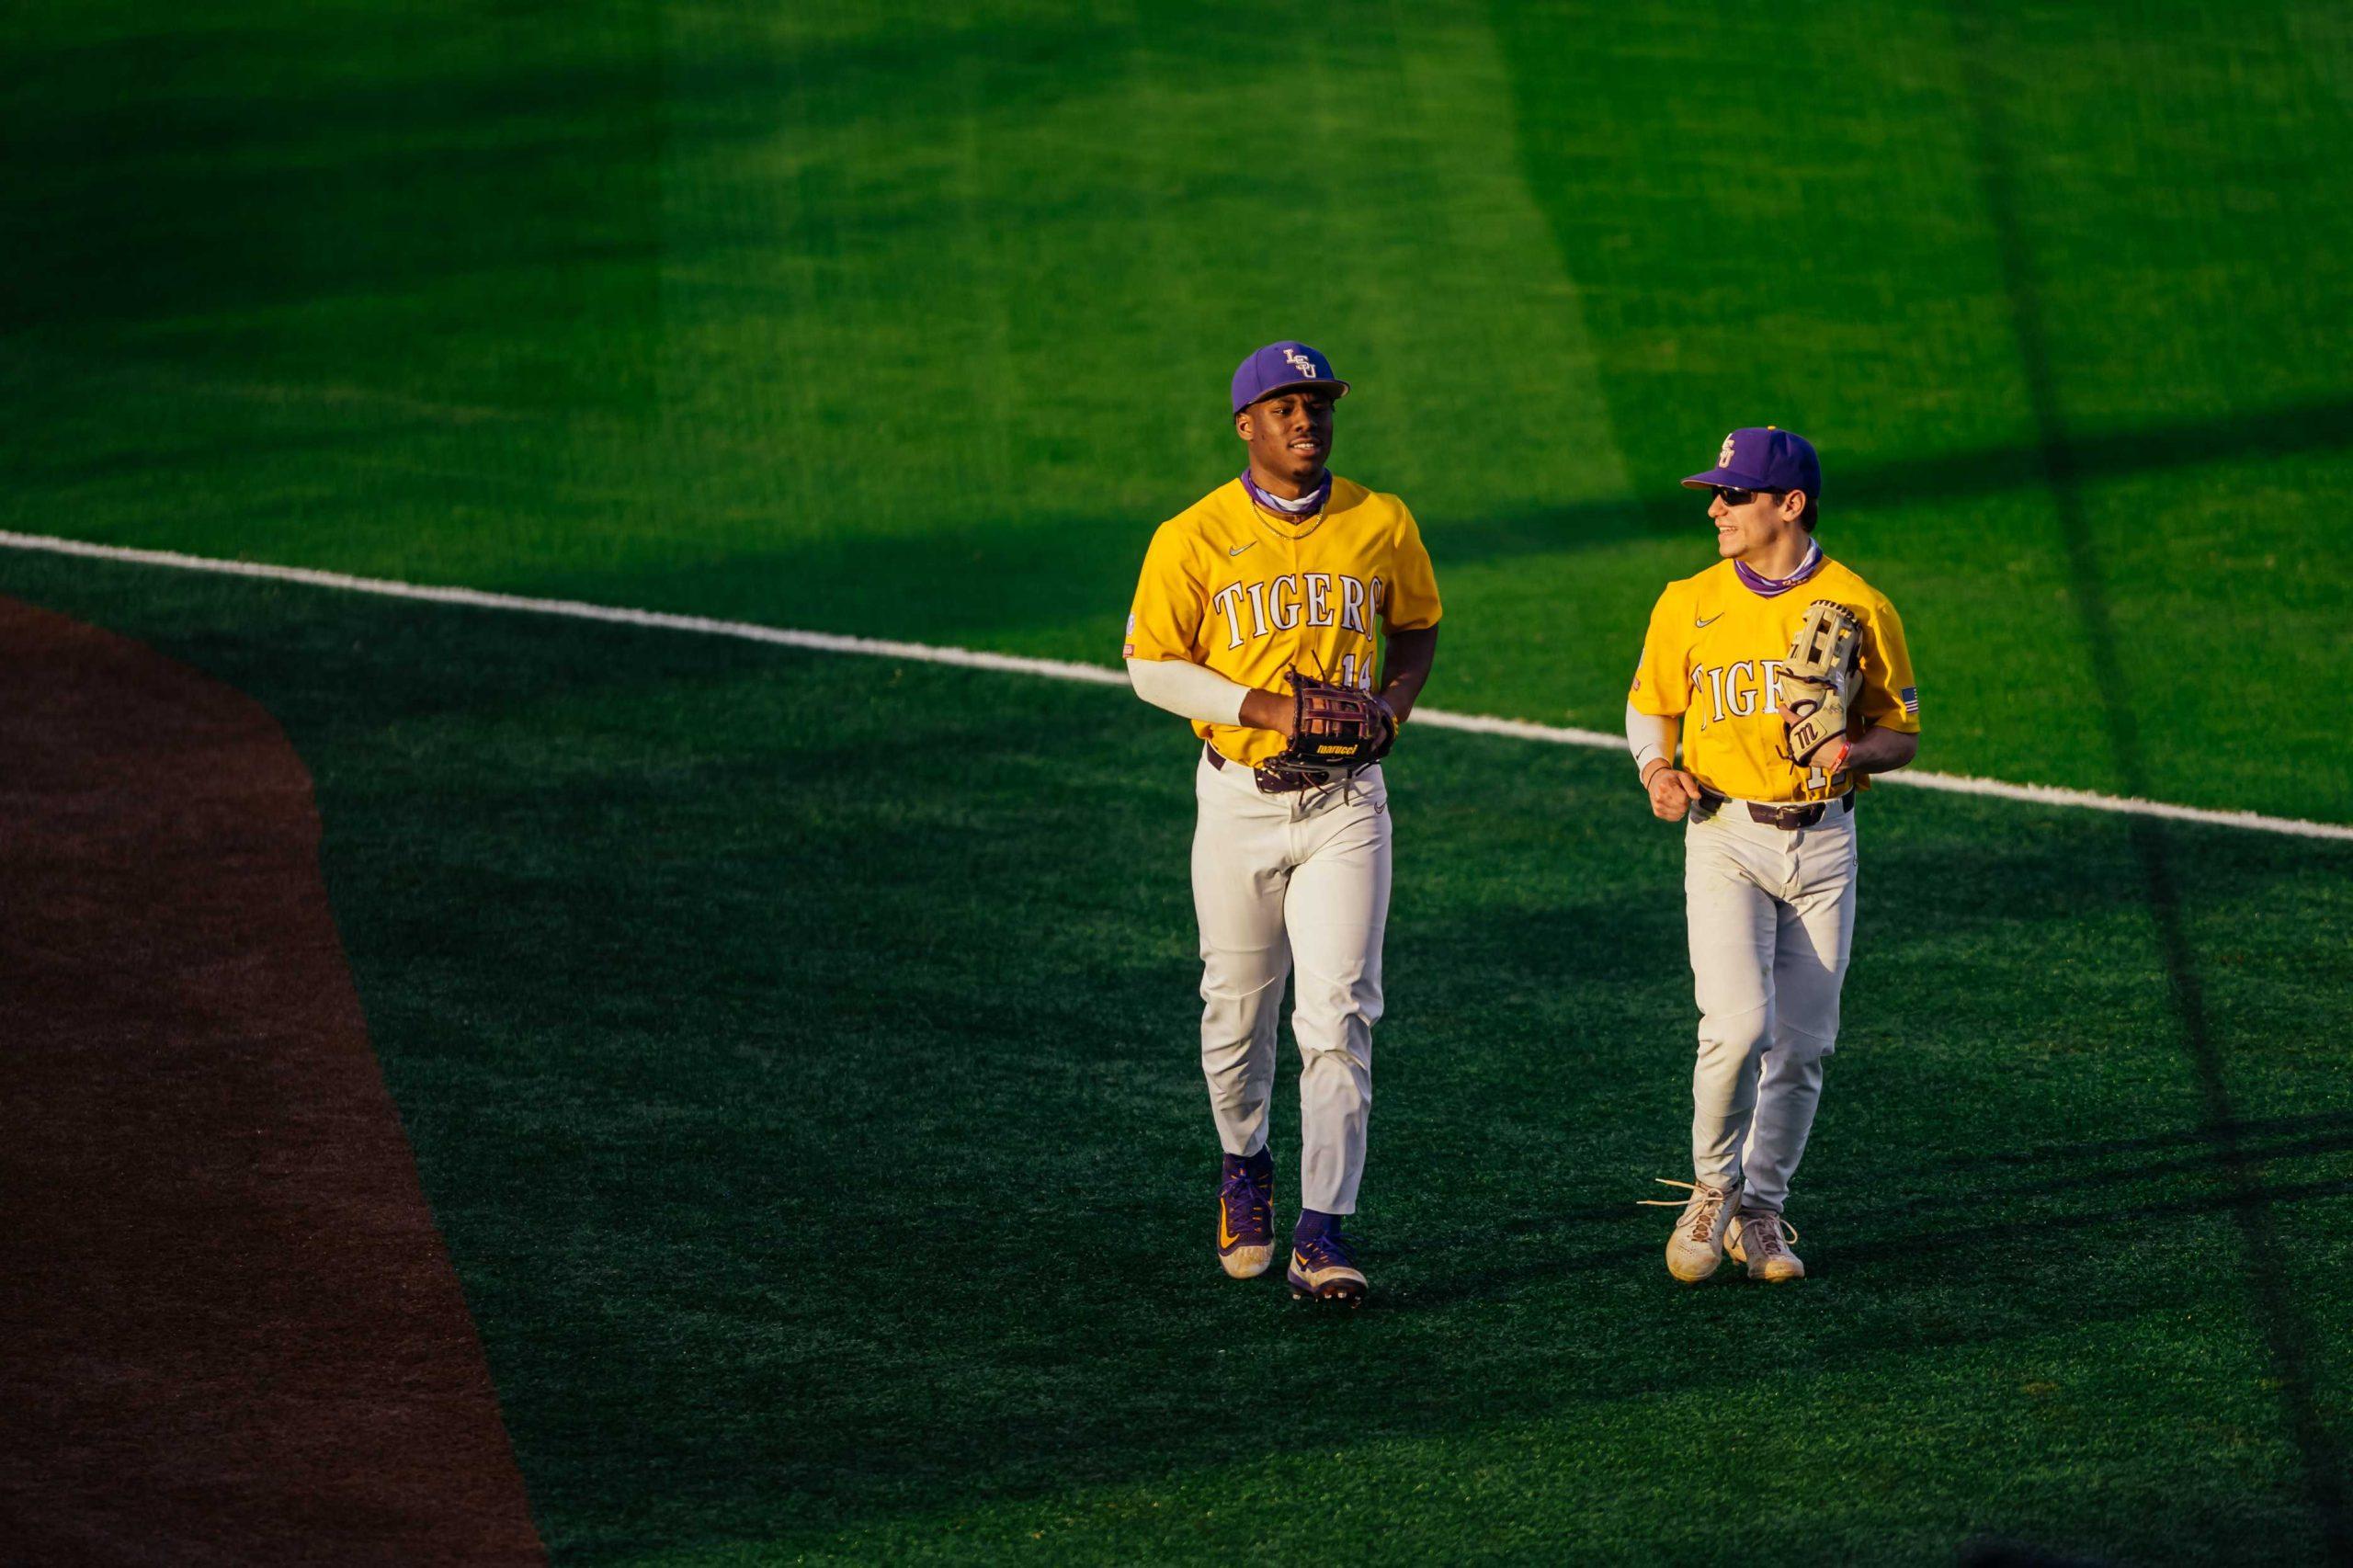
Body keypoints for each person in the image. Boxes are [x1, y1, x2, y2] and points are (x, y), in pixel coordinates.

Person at [1123, 342, 1441, 1306]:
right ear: (1246, 425)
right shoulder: (1191, 535)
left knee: (1339, 1013)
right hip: (1238, 802)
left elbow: (1418, 625)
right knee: (1235, 1010)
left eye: (1317, 404)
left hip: (1347, 806)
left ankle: (1323, 1232)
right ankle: (1244, 1163)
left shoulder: (1379, 520)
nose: (1305, 420)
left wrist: (1391, 702)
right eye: (1284, 406)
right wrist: (1269, 710)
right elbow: (1150, 665)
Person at [1625, 427, 1918, 1282]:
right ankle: (1709, 1190)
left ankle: (1761, 1212)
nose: (1715, 509)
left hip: (1825, 843)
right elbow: (1651, 705)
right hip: (1725, 837)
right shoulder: (1688, 599)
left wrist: (1853, 754)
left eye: (1734, 495)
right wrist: (1655, 771)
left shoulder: (1861, 606)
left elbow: (1900, 733)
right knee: (1738, 1027)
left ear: (1789, 505)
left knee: (1804, 1043)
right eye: (1716, 494)